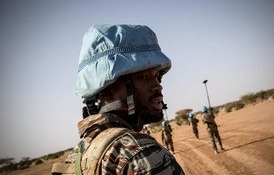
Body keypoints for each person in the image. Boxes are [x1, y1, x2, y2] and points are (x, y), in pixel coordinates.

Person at [51, 24, 184, 174]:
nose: (158, 86)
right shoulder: (140, 154)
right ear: (108, 88)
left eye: (156, 76)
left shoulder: (78, 156)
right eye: (144, 77)